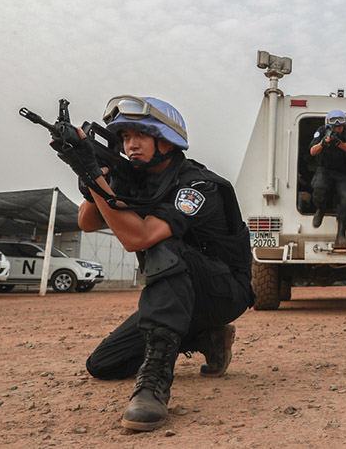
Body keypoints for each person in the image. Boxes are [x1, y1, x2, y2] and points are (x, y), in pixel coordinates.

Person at [52, 95, 254, 431]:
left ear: (167, 140)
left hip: (223, 292)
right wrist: (90, 179)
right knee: (102, 364)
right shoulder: (135, 178)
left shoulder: (197, 185)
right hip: (179, 295)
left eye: (140, 135)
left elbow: (140, 238)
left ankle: (153, 385)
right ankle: (207, 338)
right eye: (126, 137)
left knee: (164, 244)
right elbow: (87, 222)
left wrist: (94, 177)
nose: (131, 145)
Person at [309, 110, 346, 248]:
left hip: (344, 172)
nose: (337, 129)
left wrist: (339, 143)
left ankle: (341, 234)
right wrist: (323, 144)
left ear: (345, 125)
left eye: (340, 126)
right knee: (319, 189)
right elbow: (312, 151)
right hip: (325, 170)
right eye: (334, 127)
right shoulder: (321, 131)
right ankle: (320, 209)